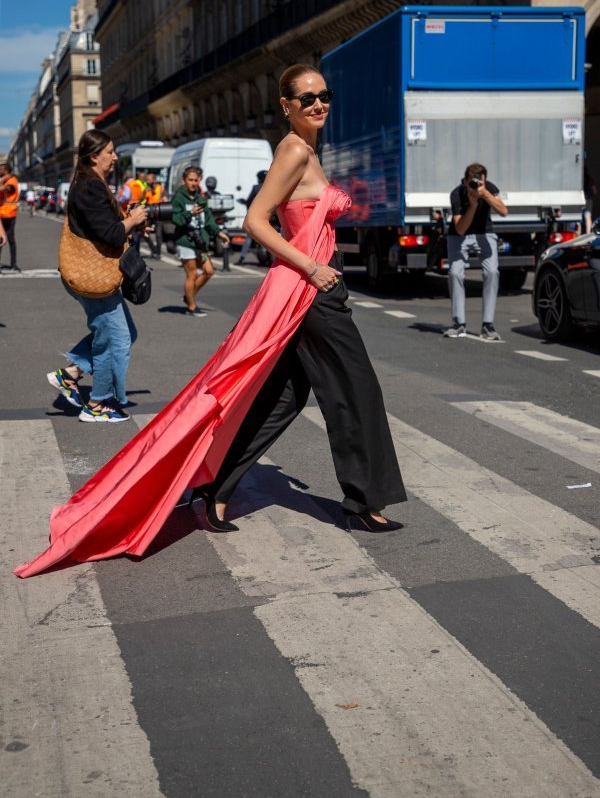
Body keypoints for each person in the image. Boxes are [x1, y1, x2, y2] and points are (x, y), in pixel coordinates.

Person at [14, 63, 406, 579]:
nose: (318, 104)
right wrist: (313, 267)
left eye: (323, 95)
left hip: (305, 290)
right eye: (305, 98)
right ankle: (362, 503)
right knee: (356, 389)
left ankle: (215, 489)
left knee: (280, 399)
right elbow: (255, 220)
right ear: (285, 105)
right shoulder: (292, 149)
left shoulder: (307, 150)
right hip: (309, 291)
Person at [46, 129, 148, 423]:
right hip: (92, 277)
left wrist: (132, 222)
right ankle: (97, 404)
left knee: (125, 334)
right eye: (110, 152)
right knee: (114, 339)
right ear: (94, 156)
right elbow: (112, 233)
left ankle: (70, 374)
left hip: (98, 276)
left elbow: (105, 226)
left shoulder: (92, 183)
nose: (115, 157)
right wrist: (132, 220)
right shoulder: (89, 187)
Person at [444, 162, 508, 340]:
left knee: (492, 272)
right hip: (459, 235)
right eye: (472, 183)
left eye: (480, 183)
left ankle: (488, 325)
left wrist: (486, 194)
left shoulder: (488, 189)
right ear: (465, 181)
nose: (476, 187)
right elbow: (460, 229)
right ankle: (459, 323)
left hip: (484, 232)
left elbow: (504, 211)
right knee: (455, 273)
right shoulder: (456, 194)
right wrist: (472, 205)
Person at [171, 166, 230, 317]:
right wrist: (190, 213)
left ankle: (188, 295)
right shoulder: (179, 197)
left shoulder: (201, 198)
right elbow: (176, 219)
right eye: (190, 180)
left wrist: (219, 233)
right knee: (191, 274)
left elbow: (209, 221)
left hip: (200, 243)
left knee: (209, 271)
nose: (193, 183)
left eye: (196, 180)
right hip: (186, 241)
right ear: (184, 180)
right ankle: (191, 306)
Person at [236, 169, 268, 265]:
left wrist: (246, 204)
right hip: (273, 218)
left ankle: (241, 258)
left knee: (249, 237)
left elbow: (249, 201)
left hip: (259, 217)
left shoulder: (256, 188)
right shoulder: (271, 187)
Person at [0, 161, 21, 270]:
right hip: (2, 213)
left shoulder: (12, 181)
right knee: (1, 239)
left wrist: (2, 180)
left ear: (6, 170)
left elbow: (3, 189)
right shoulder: (6, 180)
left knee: (10, 239)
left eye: (1, 168)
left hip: (9, 214)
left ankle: (14, 264)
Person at [583, 165, 597, 235]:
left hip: (580, 199)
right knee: (588, 217)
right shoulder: (590, 180)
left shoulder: (579, 179)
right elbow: (595, 191)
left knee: (577, 217)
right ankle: (588, 233)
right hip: (588, 200)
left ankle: (577, 234)